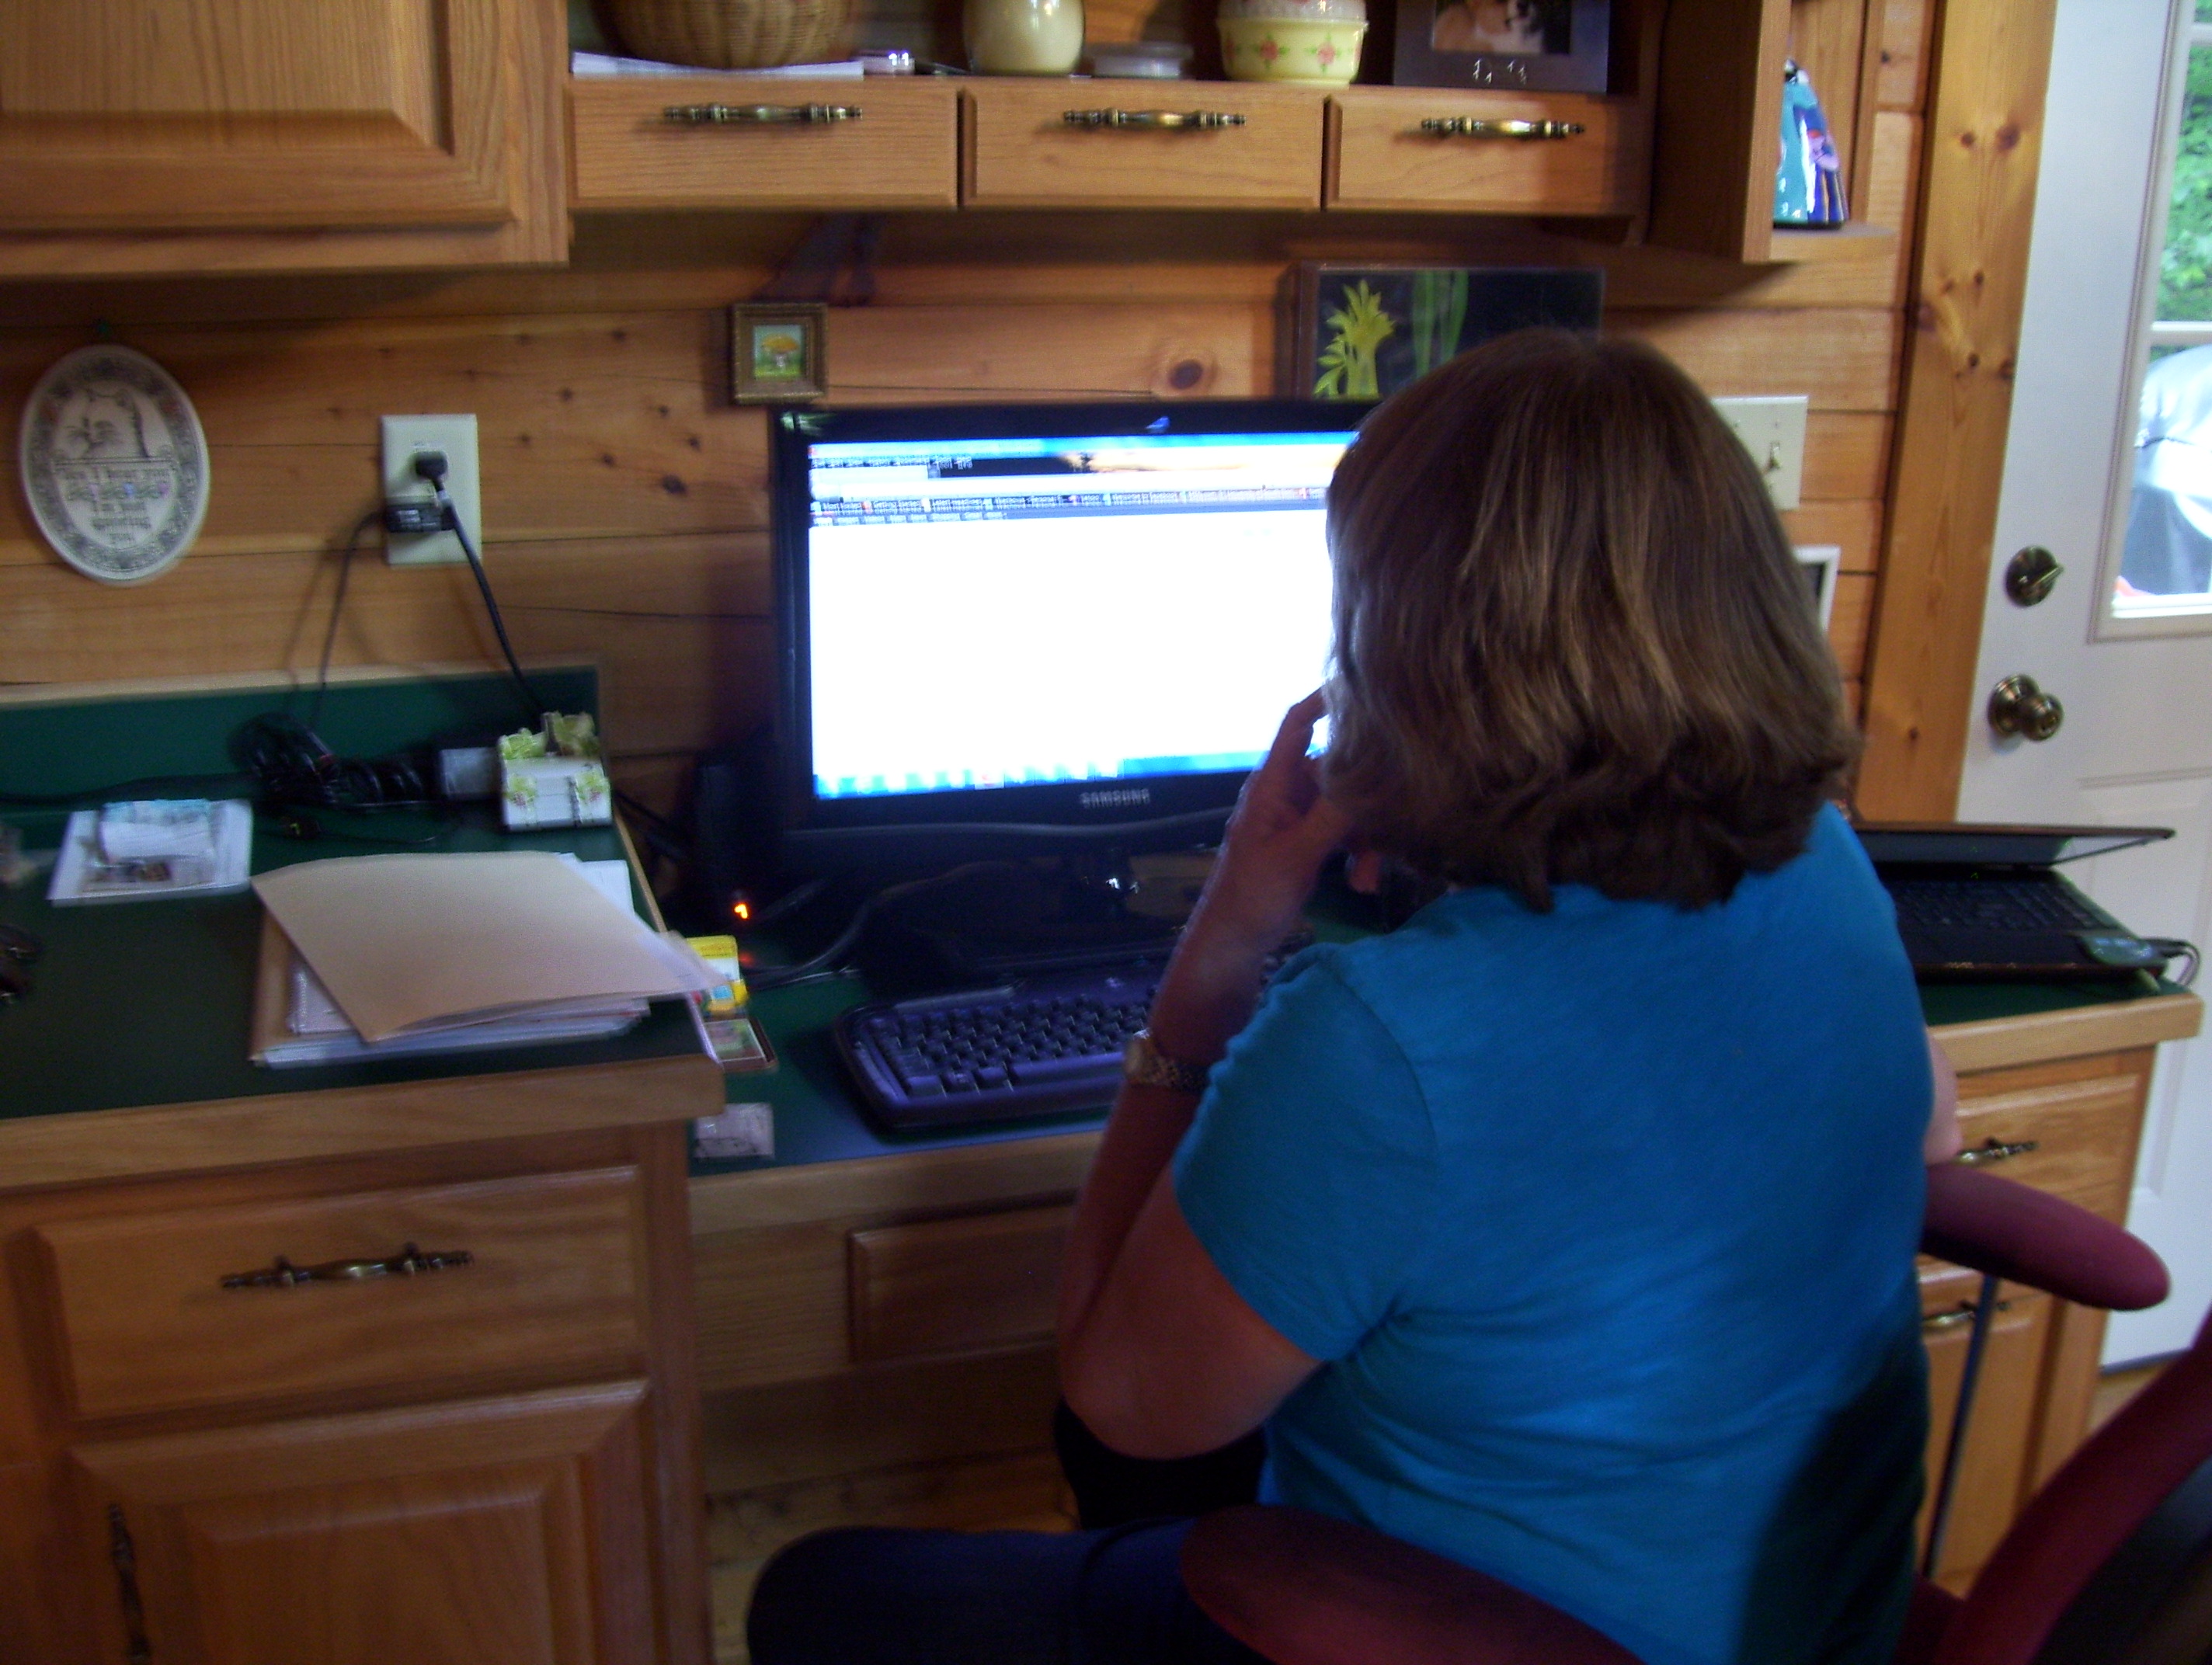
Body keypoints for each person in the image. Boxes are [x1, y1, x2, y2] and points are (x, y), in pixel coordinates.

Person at [749, 331, 1946, 1665]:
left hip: (1475, 1637)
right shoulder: (1826, 866)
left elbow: (1125, 1402)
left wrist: (1219, 952)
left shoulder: (1384, 1041)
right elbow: (1931, 1130)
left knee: (824, 1594)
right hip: (1816, 1627)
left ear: (1414, 652)